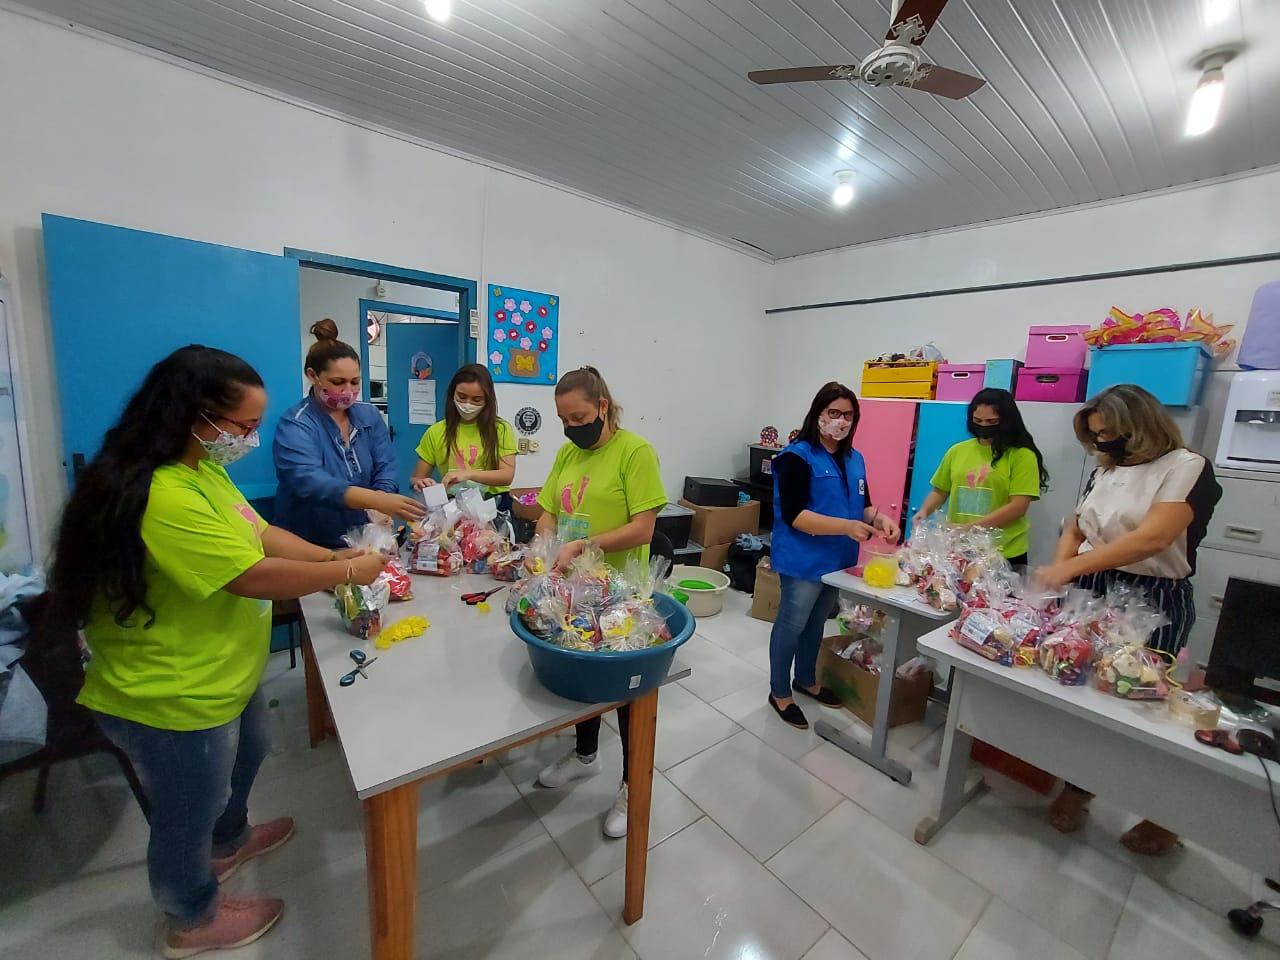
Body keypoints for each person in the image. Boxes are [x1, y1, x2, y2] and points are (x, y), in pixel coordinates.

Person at [47, 345, 390, 958]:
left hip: (223, 671)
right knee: (186, 809)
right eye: (243, 427)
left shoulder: (201, 469)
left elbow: (258, 532)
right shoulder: (162, 494)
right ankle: (192, 916)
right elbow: (249, 574)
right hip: (171, 691)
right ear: (192, 414)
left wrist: (329, 555)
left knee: (251, 748)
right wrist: (347, 575)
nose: (251, 439)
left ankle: (230, 840)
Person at [1035, 383, 1221, 855]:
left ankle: (1163, 816)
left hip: (1152, 596)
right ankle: (1078, 789)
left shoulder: (1186, 467)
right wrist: (1063, 570)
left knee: (1145, 706)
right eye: (1097, 436)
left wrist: (1067, 568)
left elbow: (1152, 539)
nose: (1104, 444)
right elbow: (1075, 526)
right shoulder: (1107, 470)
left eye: (1112, 434)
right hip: (1095, 587)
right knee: (1083, 693)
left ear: (1141, 426)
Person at [529, 366, 667, 839]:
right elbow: (550, 509)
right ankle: (586, 755)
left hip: (622, 594)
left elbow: (643, 527)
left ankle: (632, 786)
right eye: (564, 419)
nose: (572, 427)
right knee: (583, 678)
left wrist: (583, 548)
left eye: (580, 416)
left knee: (628, 693)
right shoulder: (569, 452)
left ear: (603, 407)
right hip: (574, 590)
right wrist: (541, 548)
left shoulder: (635, 452)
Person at [768, 382, 900, 730]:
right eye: (834, 413)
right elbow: (795, 514)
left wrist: (879, 518)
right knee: (791, 625)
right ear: (819, 415)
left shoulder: (855, 459)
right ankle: (780, 691)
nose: (841, 422)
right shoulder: (796, 457)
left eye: (849, 415)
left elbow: (864, 505)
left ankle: (806, 679)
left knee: (817, 623)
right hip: (803, 559)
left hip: (838, 561)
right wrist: (846, 526)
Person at [273, 319, 425, 548]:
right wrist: (376, 500)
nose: (348, 391)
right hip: (309, 544)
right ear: (312, 375)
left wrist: (379, 504)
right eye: (338, 382)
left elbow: (386, 465)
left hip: (363, 539)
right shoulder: (296, 424)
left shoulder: (369, 416)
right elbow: (310, 482)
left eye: (355, 382)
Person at [912, 388, 1049, 568]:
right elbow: (940, 490)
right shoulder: (957, 451)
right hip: (959, 550)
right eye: (978, 421)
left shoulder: (1022, 456)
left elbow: (1018, 507)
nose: (983, 426)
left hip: (1003, 553)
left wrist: (969, 528)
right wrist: (924, 511)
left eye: (991, 422)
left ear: (1006, 421)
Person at [410, 363, 517, 510]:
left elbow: (507, 475)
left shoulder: (500, 429)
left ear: (488, 399)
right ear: (452, 394)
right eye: (462, 396)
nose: (468, 404)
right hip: (452, 507)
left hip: (493, 505)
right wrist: (421, 483)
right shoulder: (436, 432)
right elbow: (418, 477)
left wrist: (468, 475)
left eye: (477, 400)